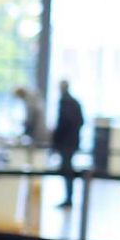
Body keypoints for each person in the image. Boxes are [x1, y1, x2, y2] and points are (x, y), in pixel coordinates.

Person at [52, 79, 85, 208]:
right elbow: (81, 121)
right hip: (73, 141)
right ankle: (69, 198)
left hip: (66, 142)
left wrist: (56, 140)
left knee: (67, 170)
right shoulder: (75, 102)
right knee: (67, 169)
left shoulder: (64, 102)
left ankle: (69, 198)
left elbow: (62, 123)